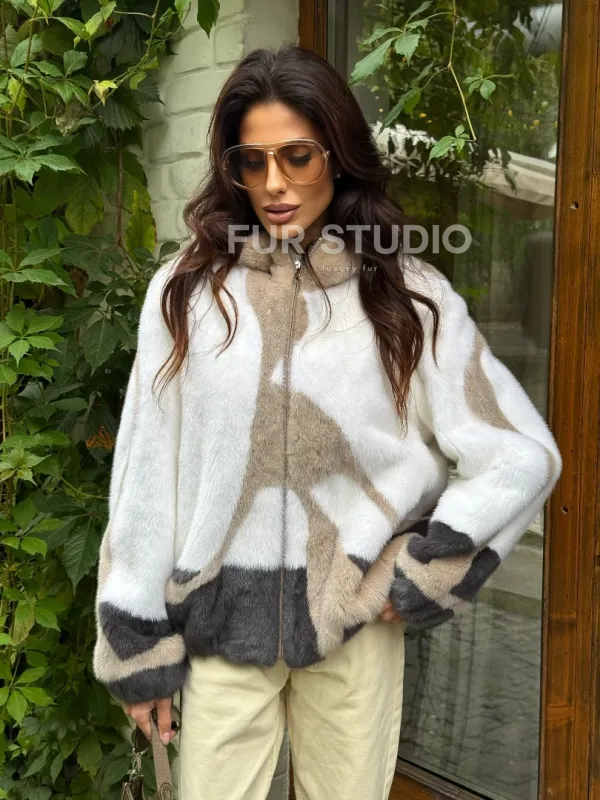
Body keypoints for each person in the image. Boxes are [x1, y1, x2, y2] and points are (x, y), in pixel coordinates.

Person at [92, 43, 562, 800]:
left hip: (353, 630)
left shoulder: (407, 294)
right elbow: (147, 475)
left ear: (338, 155)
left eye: (298, 156)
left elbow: (520, 453)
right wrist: (136, 643)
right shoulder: (185, 294)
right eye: (252, 162)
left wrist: (423, 572)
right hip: (217, 626)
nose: (274, 183)